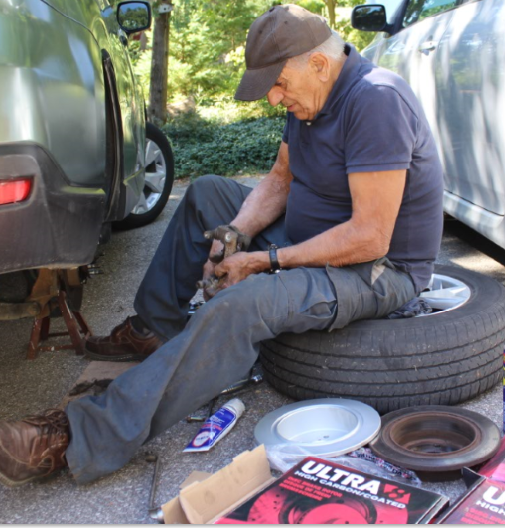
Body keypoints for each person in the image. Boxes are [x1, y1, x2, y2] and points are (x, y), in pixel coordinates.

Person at [0, 4, 443, 487]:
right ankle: (158, 329)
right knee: (207, 193)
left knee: (242, 305)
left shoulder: (377, 101)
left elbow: (368, 237)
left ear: (318, 63)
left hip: (376, 269)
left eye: (279, 85)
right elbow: (279, 180)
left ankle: (80, 437)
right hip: (313, 236)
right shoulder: (313, 97)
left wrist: (262, 260)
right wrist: (233, 237)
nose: (274, 99)